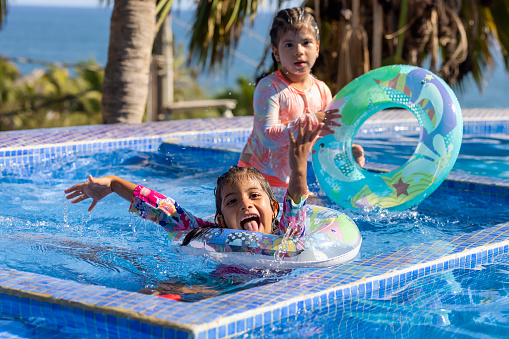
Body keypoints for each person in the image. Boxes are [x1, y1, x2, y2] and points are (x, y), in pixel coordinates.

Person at [65, 116, 322, 244]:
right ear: (220, 221)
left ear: (274, 208)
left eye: (255, 196)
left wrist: (298, 168)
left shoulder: (287, 236)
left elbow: (296, 203)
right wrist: (112, 183)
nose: (246, 205)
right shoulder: (209, 236)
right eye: (232, 201)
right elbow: (164, 209)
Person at [238, 7, 365, 190]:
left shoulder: (321, 91)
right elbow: (266, 136)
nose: (299, 51)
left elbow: (324, 140)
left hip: (290, 180)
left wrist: (345, 154)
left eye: (306, 43)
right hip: (255, 178)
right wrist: (311, 120)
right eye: (289, 45)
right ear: (276, 52)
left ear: (317, 48)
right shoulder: (270, 88)